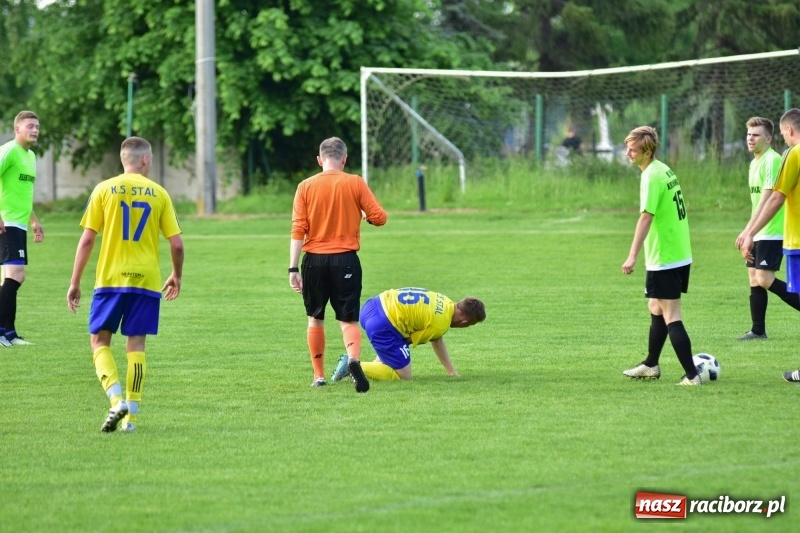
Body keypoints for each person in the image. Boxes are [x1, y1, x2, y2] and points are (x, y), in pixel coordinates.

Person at [67, 137, 184, 433]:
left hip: (109, 278)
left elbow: (88, 239)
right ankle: (130, 418)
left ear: (124, 159)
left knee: (99, 341)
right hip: (146, 280)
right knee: (137, 345)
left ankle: (115, 398)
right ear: (144, 160)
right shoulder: (159, 193)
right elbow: (177, 244)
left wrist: (75, 282)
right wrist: (176, 275)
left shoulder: (104, 189)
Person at [289, 137, 387, 392]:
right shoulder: (354, 182)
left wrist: (292, 268)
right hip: (346, 260)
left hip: (314, 261)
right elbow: (380, 217)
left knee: (315, 319)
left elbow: (298, 229)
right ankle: (353, 360)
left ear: (320, 160)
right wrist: (363, 214)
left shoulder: (305, 186)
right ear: (344, 159)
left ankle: (319, 376)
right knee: (348, 321)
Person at [621, 126, 701, 385]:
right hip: (678, 252)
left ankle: (692, 375)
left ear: (647, 150)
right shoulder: (664, 169)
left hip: (665, 256)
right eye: (628, 148)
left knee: (671, 314)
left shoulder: (651, 177)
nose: (628, 153)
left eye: (633, 149)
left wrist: (632, 255)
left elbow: (646, 217)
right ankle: (651, 364)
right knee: (655, 306)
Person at [737, 108, 800, 383]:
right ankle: (757, 329)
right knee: (755, 278)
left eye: (756, 135)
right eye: (748, 135)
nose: (750, 139)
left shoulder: (784, 157)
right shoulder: (755, 162)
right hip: (768, 231)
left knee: (764, 279)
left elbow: (774, 198)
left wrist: (750, 230)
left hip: (779, 233)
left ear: (781, 134)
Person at [330, 288, 485, 382]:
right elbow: (406, 340)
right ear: (465, 322)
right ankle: (352, 366)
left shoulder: (444, 300)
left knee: (393, 350)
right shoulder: (440, 323)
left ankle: (363, 366)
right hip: (382, 322)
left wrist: (452, 372)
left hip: (371, 306)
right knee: (404, 375)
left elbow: (437, 340)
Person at [0, 110, 45, 346]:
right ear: (17, 129)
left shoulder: (31, 157)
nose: (35, 130)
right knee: (17, 276)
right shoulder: (9, 151)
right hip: (6, 223)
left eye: (37, 126)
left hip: (19, 222)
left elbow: (23, 193)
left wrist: (34, 219)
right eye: (30, 126)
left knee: (9, 276)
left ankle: (9, 333)